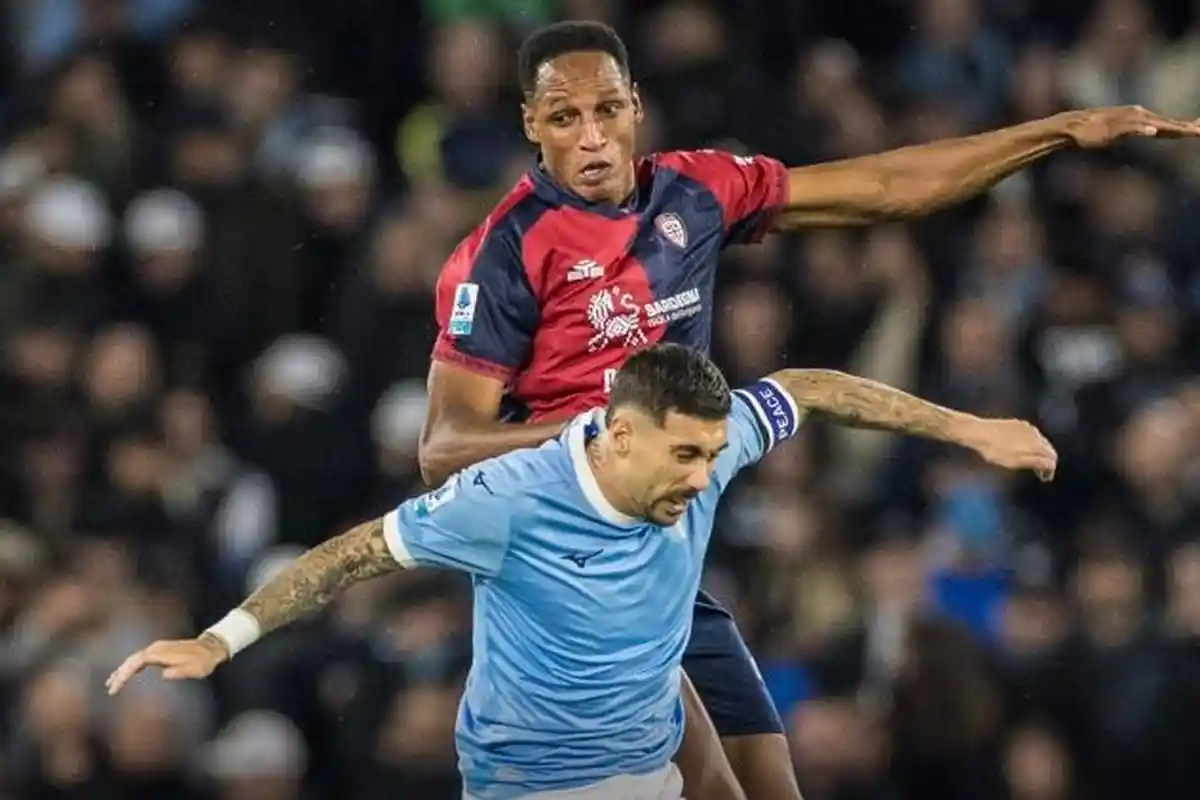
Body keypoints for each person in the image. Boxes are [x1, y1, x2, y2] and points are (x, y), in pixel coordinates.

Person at [416, 19, 1199, 800]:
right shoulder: (502, 255)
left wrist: (1054, 132)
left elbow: (886, 189)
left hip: (669, 566)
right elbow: (444, 448)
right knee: (713, 786)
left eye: (607, 110)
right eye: (564, 118)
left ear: (637, 107)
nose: (592, 138)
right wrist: (610, 438)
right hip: (571, 568)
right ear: (531, 123)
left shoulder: (694, 192)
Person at [106, 344, 1058, 799]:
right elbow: (348, 557)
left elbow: (812, 388)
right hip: (533, 786)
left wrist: (968, 428)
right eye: (684, 456)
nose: (704, 476)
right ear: (620, 434)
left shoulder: (711, 445)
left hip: (649, 765)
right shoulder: (506, 500)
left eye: (712, 454)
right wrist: (220, 640)